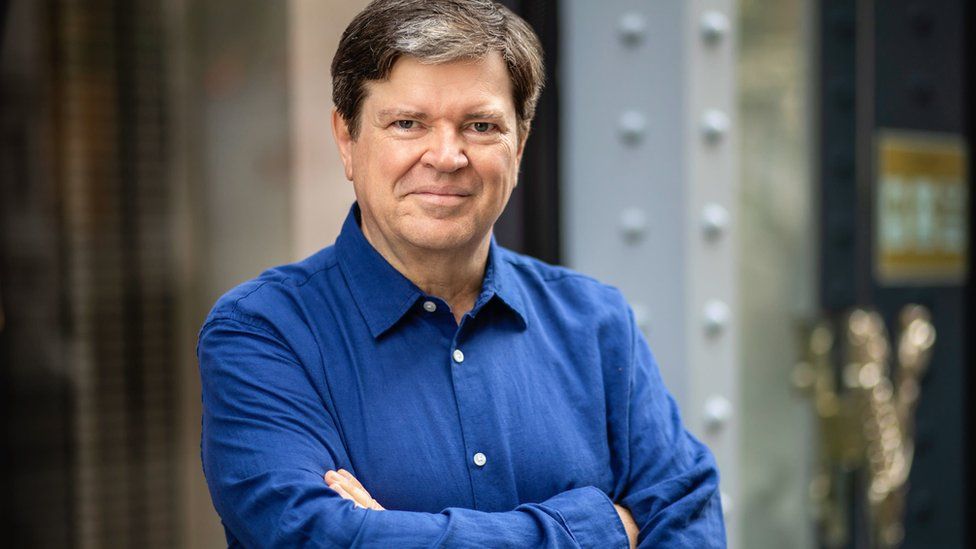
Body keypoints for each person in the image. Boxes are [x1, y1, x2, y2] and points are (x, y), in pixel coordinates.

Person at [197, 0, 726, 546]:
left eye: (480, 125)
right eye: (408, 123)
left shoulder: (596, 322)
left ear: (519, 146)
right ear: (347, 139)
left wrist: (381, 532)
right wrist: (601, 528)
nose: (446, 156)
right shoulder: (263, 334)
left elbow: (690, 523)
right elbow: (311, 537)